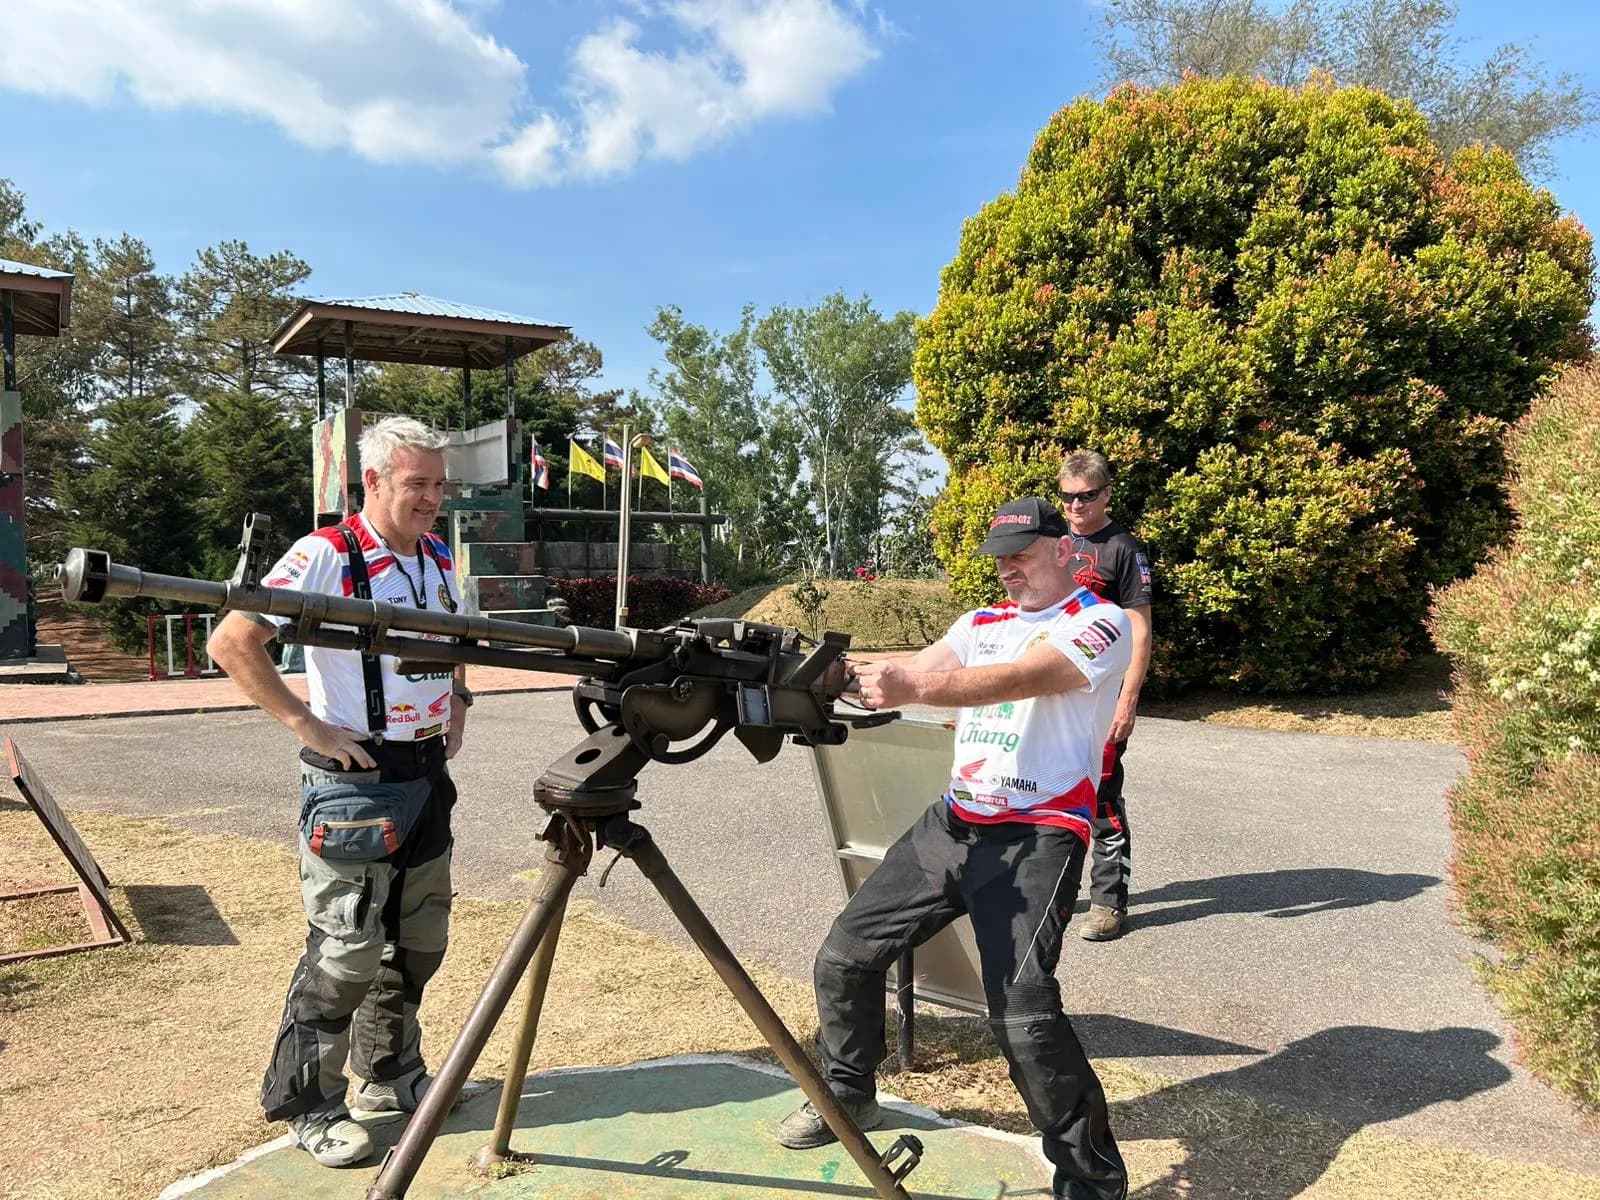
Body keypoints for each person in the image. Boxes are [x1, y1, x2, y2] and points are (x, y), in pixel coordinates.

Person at [777, 497, 1133, 1200]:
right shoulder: (980, 622)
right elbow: (913, 667)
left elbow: (1033, 677)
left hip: (1042, 832)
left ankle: (1091, 1179)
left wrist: (918, 685)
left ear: (1064, 549)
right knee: (845, 955)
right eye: (998, 559)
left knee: (1024, 1014)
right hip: (955, 824)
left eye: (1022, 554)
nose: (1006, 570)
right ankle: (850, 1095)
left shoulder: (1101, 622)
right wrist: (824, 671)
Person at [208, 416, 471, 1168]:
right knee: (346, 951)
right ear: (376, 482)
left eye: (438, 483)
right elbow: (232, 640)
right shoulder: (324, 555)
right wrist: (307, 724)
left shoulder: (439, 554)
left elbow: (451, 638)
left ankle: (390, 1076)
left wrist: (457, 699)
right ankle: (308, 1103)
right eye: (417, 483)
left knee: (418, 939)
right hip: (353, 786)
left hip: (424, 775)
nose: (431, 497)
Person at [1057, 450, 1152, 942]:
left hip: (1104, 694)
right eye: (1068, 496)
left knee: (1101, 796)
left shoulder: (1123, 549)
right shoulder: (1051, 544)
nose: (1076, 505)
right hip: (1054, 693)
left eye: (1086, 496)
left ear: (1106, 493)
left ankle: (1109, 901)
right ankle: (1057, 887)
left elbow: (1140, 630)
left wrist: (1127, 699)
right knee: (1052, 788)